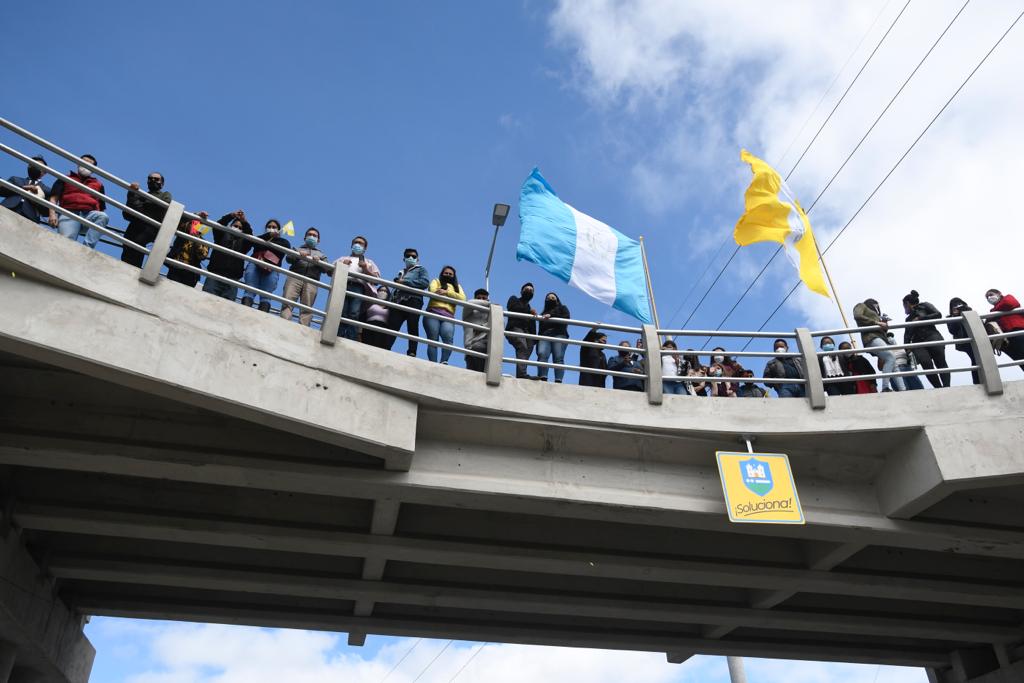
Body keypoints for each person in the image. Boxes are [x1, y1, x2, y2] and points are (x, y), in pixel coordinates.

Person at [47, 154, 108, 248]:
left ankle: (87, 248)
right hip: (68, 214)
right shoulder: (65, 178)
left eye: (89, 164)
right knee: (66, 244)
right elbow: (53, 198)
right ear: (78, 163)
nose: (85, 165)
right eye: (83, 162)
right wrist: (52, 214)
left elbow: (101, 208)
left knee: (103, 216)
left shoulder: (99, 184)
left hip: (88, 216)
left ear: (94, 169)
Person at [853, 298, 905, 392]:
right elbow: (858, 316)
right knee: (890, 357)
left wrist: (884, 324)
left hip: (880, 338)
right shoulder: (861, 305)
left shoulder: (877, 315)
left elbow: (882, 330)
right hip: (871, 337)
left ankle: (903, 389)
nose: (877, 306)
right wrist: (877, 322)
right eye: (876, 304)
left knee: (893, 363)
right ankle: (885, 387)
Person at [121, 172, 171, 268]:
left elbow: (161, 208)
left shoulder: (165, 194)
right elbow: (127, 213)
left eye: (156, 179)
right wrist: (132, 192)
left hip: (150, 228)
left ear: (162, 184)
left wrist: (141, 204)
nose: (153, 180)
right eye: (150, 178)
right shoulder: (140, 194)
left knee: (138, 244)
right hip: (134, 226)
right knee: (127, 247)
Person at [280, 227, 328, 326]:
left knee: (307, 307)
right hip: (294, 277)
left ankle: (303, 328)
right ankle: (284, 324)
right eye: (310, 235)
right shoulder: (297, 249)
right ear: (305, 237)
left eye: (314, 236)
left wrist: (319, 261)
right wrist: (298, 255)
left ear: (318, 240)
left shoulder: (321, 255)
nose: (312, 237)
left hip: (312, 280)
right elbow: (288, 259)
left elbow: (326, 269)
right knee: (287, 302)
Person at [902, 290, 949, 388]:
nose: (904, 309)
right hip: (918, 342)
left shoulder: (924, 305)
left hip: (932, 336)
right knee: (926, 364)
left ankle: (946, 386)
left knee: (940, 361)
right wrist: (907, 349)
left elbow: (938, 315)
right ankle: (938, 388)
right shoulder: (908, 319)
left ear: (907, 304)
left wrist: (920, 319)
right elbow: (907, 335)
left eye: (904, 306)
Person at [387, 248, 430, 356]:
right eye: (408, 256)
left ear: (417, 259)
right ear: (404, 258)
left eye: (414, 256)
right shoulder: (401, 272)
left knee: (412, 326)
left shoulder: (421, 269)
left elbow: (424, 283)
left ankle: (412, 351)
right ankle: (386, 347)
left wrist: (405, 282)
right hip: (398, 302)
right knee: (393, 325)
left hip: (413, 300)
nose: (411, 258)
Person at [203, 210, 253, 301]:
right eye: (235, 226)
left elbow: (250, 236)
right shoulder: (221, 236)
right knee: (206, 301)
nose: (237, 228)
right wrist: (231, 215)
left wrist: (244, 222)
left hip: (232, 280)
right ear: (230, 226)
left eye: (240, 228)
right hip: (215, 275)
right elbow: (219, 224)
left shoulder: (244, 244)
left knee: (226, 310)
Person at [242, 219, 291, 312]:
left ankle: (263, 316)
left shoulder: (284, 242)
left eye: (274, 227)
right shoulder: (261, 237)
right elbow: (255, 242)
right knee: (249, 290)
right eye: (269, 227)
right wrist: (268, 237)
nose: (271, 229)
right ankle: (244, 311)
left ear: (279, 230)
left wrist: (266, 244)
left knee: (266, 295)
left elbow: (284, 248)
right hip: (255, 264)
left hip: (272, 269)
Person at [339, 236, 381, 340]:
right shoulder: (343, 259)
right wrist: (342, 265)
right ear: (352, 245)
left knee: (354, 312)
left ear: (365, 248)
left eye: (361, 243)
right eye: (356, 242)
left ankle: (351, 337)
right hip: (342, 285)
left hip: (359, 287)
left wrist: (365, 268)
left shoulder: (369, 262)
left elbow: (376, 280)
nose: (358, 245)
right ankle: (339, 335)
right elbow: (329, 272)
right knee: (342, 312)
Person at [423, 265, 466, 364]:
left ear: (454, 276)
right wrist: (453, 296)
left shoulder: (457, 287)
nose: (448, 275)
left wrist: (446, 292)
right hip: (433, 313)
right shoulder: (436, 281)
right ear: (442, 274)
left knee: (448, 340)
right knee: (433, 339)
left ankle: (444, 361)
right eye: (446, 273)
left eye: (450, 274)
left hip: (448, 316)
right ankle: (432, 363)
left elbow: (463, 299)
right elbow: (433, 291)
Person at [1, 155, 50, 224]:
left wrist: (36, 199)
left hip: (29, 218)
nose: (33, 166)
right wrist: (22, 188)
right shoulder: (15, 179)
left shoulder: (47, 190)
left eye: (38, 165)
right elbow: (1, 191)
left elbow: (47, 212)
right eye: (32, 164)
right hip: (6, 209)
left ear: (44, 172)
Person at [165, 212, 210, 288]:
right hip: (175, 269)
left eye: (198, 225)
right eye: (193, 224)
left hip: (190, 274)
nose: (195, 226)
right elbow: (179, 220)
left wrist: (196, 240)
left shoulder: (204, 242)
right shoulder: (182, 233)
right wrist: (196, 215)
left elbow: (202, 256)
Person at [986, 288, 1024, 371]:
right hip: (1007, 339)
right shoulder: (992, 312)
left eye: (991, 294)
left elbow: (1010, 303)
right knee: (1020, 360)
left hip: (1018, 331)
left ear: (999, 293)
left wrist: (994, 312)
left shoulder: (1007, 298)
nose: (989, 298)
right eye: (987, 297)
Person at [536, 293, 571, 382]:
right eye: (548, 297)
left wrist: (552, 316)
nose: (550, 298)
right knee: (542, 354)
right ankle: (543, 377)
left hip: (559, 334)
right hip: (545, 335)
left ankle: (558, 380)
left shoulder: (563, 308)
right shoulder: (543, 313)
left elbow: (566, 317)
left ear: (557, 299)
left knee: (558, 357)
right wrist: (537, 341)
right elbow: (540, 329)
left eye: (553, 297)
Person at [506, 282, 537, 379]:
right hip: (515, 328)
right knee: (522, 346)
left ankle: (522, 372)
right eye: (527, 289)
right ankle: (522, 375)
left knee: (528, 348)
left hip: (527, 331)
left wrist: (535, 338)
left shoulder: (530, 308)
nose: (529, 291)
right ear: (521, 291)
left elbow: (533, 323)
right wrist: (529, 312)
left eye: (531, 290)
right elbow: (514, 308)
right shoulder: (514, 299)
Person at [947, 298, 980, 385]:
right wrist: (956, 316)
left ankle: (978, 381)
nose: (957, 307)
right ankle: (977, 382)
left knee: (976, 359)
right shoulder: (950, 317)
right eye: (954, 305)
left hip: (977, 338)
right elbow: (952, 330)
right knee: (975, 359)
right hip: (965, 342)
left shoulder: (970, 311)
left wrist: (965, 311)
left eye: (958, 304)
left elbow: (978, 322)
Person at [463, 288, 490, 372]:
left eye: (484, 298)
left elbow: (499, 322)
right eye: (478, 298)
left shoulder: (490, 313)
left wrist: (482, 327)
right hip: (471, 347)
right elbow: (469, 303)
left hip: (487, 346)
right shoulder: (470, 312)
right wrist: (487, 303)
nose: (481, 300)